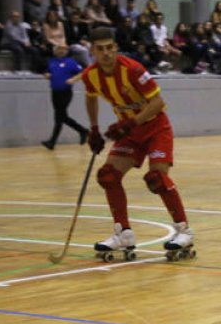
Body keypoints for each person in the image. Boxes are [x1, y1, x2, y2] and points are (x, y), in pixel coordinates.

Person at [80, 27, 194, 260]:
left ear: (116, 48)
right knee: (108, 176)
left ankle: (184, 231)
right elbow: (90, 98)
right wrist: (93, 129)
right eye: (100, 49)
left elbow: (158, 103)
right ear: (92, 51)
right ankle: (123, 233)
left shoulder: (132, 70)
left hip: (155, 127)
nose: (106, 54)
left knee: (157, 179)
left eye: (110, 48)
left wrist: (130, 123)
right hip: (130, 131)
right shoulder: (90, 75)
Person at [42, 45, 89, 149]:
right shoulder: (52, 62)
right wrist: (46, 75)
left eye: (64, 49)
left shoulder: (70, 62)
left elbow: (83, 72)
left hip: (65, 92)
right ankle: (82, 131)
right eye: (59, 49)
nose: (61, 51)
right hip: (55, 92)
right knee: (60, 117)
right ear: (55, 50)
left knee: (60, 116)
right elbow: (46, 72)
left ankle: (53, 141)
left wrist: (73, 79)